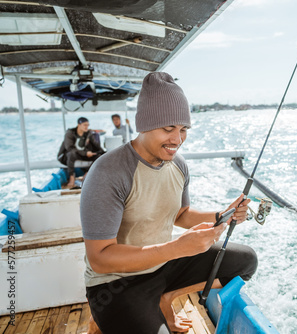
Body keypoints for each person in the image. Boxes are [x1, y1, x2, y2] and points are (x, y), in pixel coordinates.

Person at [80, 72, 257, 334]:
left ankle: (165, 297)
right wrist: (176, 248)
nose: (177, 139)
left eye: (183, 129)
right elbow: (100, 259)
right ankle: (103, 316)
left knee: (246, 261)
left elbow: (181, 214)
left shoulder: (178, 165)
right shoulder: (108, 172)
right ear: (144, 125)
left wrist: (223, 214)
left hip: (162, 266)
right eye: (168, 128)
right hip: (114, 282)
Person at [57, 117, 105, 188]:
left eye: (88, 125)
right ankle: (71, 178)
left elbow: (96, 145)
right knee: (71, 154)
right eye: (84, 125)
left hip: (81, 154)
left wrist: (104, 153)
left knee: (99, 156)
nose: (87, 127)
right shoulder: (70, 133)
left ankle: (86, 175)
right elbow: (69, 148)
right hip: (66, 156)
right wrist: (85, 153)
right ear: (79, 125)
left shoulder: (88, 133)